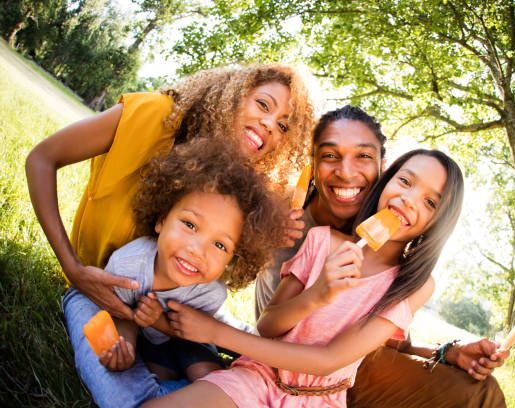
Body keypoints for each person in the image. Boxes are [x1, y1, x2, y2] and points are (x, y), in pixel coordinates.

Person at [25, 63, 315, 407]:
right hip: (104, 287)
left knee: (218, 349)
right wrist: (72, 268)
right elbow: (42, 158)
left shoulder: (237, 180)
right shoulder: (155, 115)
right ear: (233, 95)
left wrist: (272, 228)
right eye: (263, 105)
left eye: (283, 125)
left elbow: (205, 290)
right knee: (125, 387)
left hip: (168, 311)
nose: (270, 124)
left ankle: (219, 387)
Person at [142, 148, 466, 407]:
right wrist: (317, 295)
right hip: (260, 377)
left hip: (320, 399)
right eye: (405, 182)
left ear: (438, 224)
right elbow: (268, 325)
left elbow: (329, 361)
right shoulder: (321, 241)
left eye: (429, 202)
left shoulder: (414, 287)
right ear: (386, 182)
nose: (408, 199)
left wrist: (216, 333)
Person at [255, 105, 508, 407]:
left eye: (362, 156)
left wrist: (447, 352)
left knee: (483, 388)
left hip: (352, 360)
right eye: (331, 156)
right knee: (479, 395)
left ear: (382, 168)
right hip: (299, 369)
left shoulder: (388, 232)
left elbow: (389, 339)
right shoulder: (291, 223)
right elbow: (277, 328)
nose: (346, 172)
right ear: (313, 161)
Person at [97, 140, 284, 385]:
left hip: (190, 339)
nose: (197, 251)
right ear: (162, 219)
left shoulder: (210, 292)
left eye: (220, 245)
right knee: (156, 376)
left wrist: (158, 321)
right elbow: (120, 313)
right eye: (190, 225)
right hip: (150, 342)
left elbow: (192, 335)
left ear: (233, 259)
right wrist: (125, 345)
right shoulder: (127, 266)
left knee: (205, 374)